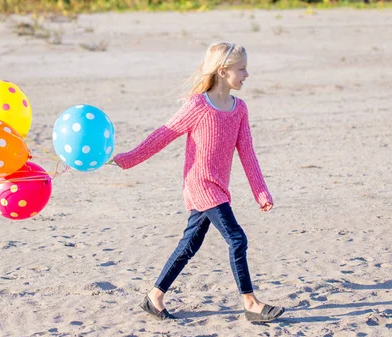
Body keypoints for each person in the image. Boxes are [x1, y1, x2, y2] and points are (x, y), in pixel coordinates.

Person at [111, 41, 284, 322]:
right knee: (237, 239)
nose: (246, 74)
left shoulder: (239, 109)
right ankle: (250, 303)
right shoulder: (197, 106)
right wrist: (127, 159)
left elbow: (248, 153)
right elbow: (162, 135)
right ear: (222, 71)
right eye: (241, 69)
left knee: (190, 243)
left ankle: (154, 297)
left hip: (219, 187)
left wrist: (260, 192)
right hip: (201, 185)